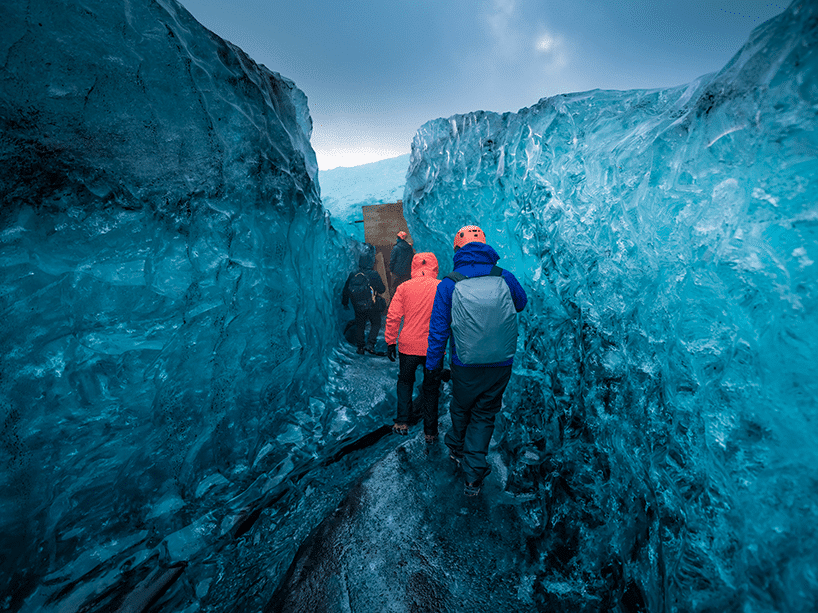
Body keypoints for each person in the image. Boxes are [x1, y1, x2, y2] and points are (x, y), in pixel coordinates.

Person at [426, 225, 527, 496]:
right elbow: (521, 303)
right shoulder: (505, 277)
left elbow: (439, 329)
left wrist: (433, 366)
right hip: (500, 362)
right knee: (484, 415)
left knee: (461, 407)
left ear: (458, 250)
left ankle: (457, 449)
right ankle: (473, 478)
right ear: (485, 246)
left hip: (464, 363)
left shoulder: (449, 283)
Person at [384, 252, 443, 441]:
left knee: (405, 382)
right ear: (435, 266)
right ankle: (430, 432)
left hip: (407, 346)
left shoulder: (404, 287)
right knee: (431, 388)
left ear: (413, 266)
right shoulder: (442, 287)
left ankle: (402, 421)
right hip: (433, 347)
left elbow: (393, 317)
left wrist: (390, 342)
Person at [342, 248, 387, 355]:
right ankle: (370, 345)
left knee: (360, 325)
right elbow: (382, 289)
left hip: (357, 306)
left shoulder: (353, 274)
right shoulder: (373, 274)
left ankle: (360, 348)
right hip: (372, 305)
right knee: (376, 324)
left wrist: (345, 303)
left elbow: (346, 290)